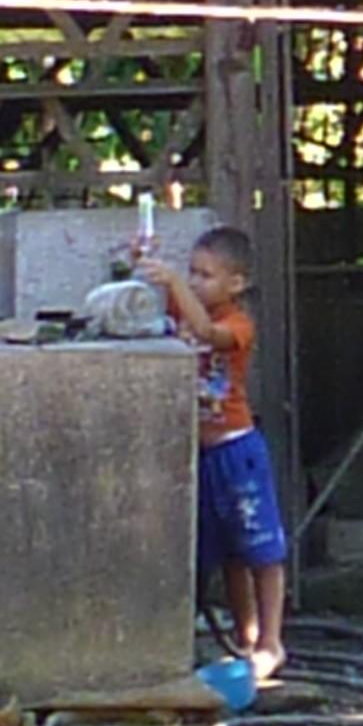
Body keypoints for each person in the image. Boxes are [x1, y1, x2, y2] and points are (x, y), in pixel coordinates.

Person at [135, 224, 290, 683]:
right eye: (191, 274)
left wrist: (176, 285)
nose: (195, 282)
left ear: (235, 284)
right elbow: (156, 308)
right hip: (199, 454)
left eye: (205, 275)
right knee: (229, 555)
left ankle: (271, 642)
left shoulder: (237, 324)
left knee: (262, 549)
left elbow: (207, 332)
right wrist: (144, 263)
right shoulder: (182, 310)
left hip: (235, 448)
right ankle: (245, 640)